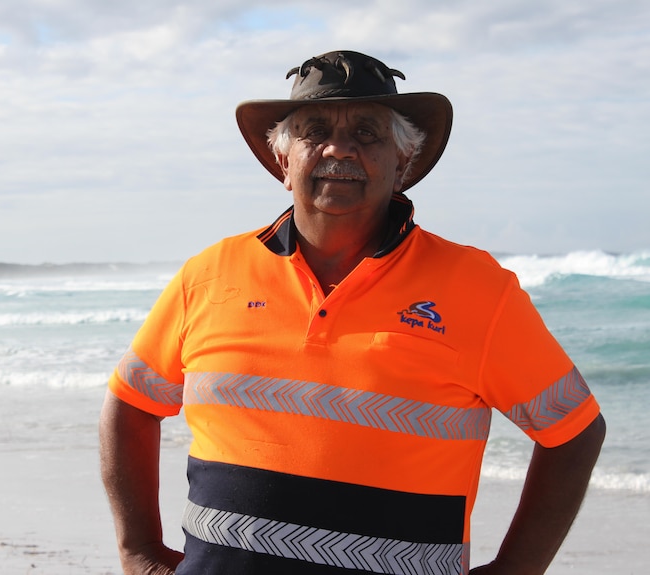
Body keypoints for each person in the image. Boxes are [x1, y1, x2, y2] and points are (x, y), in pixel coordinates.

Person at [99, 50, 606, 575]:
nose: (338, 149)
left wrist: (515, 569)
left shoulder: (478, 288)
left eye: (367, 134)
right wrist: (138, 550)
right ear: (283, 160)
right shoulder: (208, 274)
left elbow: (573, 430)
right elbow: (132, 401)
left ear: (402, 163)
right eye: (314, 131)